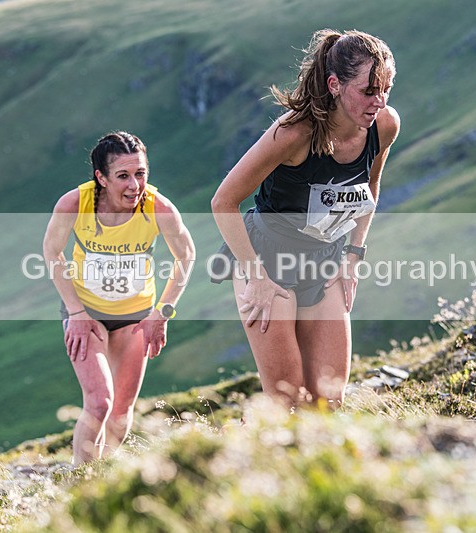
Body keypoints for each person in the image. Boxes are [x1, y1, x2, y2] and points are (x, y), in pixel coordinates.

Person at [211, 29, 400, 408]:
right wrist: (257, 276)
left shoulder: (384, 125)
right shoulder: (293, 134)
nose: (379, 101)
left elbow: (370, 187)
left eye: (387, 88)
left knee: (329, 399)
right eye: (369, 90)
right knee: (289, 401)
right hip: (267, 258)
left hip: (324, 259)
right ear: (335, 84)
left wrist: (353, 256)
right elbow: (224, 201)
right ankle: (239, 459)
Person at [43, 131, 195, 464]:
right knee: (99, 403)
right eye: (123, 176)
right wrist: (76, 313)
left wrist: (162, 313)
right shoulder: (75, 204)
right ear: (101, 177)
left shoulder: (159, 208)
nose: (134, 185)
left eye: (140, 174)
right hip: (87, 312)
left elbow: (187, 256)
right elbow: (52, 252)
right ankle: (80, 480)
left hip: (137, 314)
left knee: (121, 412)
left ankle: (102, 477)